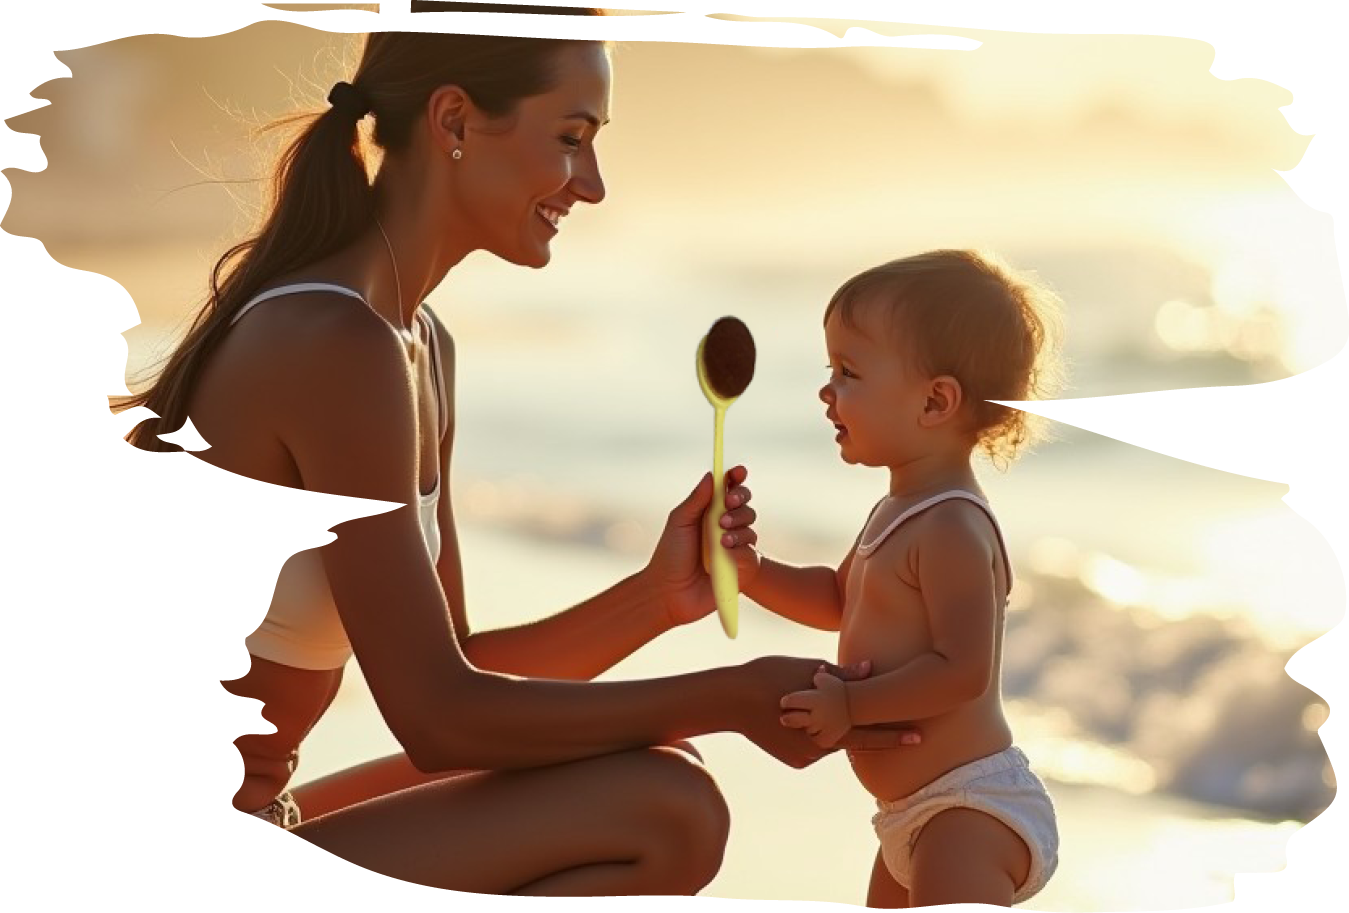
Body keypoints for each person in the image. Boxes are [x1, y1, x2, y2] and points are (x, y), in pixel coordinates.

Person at [113, 5, 921, 896]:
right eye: (572, 138)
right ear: (454, 120)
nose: (594, 183)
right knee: (665, 806)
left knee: (658, 769)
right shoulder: (335, 343)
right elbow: (439, 720)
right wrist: (731, 695)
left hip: (253, 821)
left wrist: (655, 598)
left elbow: (461, 665)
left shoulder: (414, 340)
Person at [739, 250, 1062, 908]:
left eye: (849, 371)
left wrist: (852, 705)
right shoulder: (897, 510)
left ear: (935, 400)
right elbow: (837, 598)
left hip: (970, 805)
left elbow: (960, 668)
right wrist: (747, 570)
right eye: (829, 368)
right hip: (908, 811)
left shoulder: (950, 526)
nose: (826, 390)